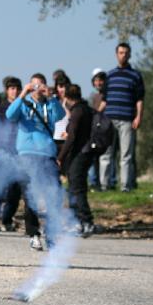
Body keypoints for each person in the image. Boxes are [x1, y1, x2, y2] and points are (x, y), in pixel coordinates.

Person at [5, 73, 66, 251]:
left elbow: (60, 115)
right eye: (35, 85)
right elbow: (10, 115)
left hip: (47, 155)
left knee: (53, 195)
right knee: (30, 196)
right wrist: (23, 94)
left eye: (41, 85)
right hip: (26, 155)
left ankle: (52, 234)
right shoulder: (23, 104)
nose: (38, 88)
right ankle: (33, 234)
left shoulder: (49, 104)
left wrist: (52, 96)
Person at [100, 42, 145, 192]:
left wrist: (138, 117)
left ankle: (125, 186)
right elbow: (104, 100)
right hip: (109, 119)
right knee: (106, 154)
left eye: (126, 53)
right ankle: (105, 185)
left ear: (130, 55)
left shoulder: (136, 76)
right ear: (116, 54)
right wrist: (97, 116)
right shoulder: (110, 75)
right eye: (120, 52)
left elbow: (139, 99)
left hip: (127, 120)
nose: (123, 55)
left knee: (126, 155)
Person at [57, 84, 96, 236]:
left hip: (79, 154)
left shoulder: (78, 112)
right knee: (76, 187)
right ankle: (78, 221)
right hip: (85, 154)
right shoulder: (85, 109)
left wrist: (60, 157)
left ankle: (85, 222)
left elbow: (72, 136)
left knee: (76, 189)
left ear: (67, 97)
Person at [0, 76, 24, 231]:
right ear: (6, 90)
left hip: (19, 153)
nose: (15, 91)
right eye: (12, 88)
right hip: (2, 153)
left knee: (15, 190)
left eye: (17, 88)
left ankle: (7, 220)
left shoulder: (24, 107)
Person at [87, 68, 107, 189]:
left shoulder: (107, 95)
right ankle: (95, 182)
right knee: (94, 157)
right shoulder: (95, 96)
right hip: (96, 129)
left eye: (101, 80)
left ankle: (107, 182)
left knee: (107, 156)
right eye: (96, 80)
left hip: (106, 127)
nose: (98, 83)